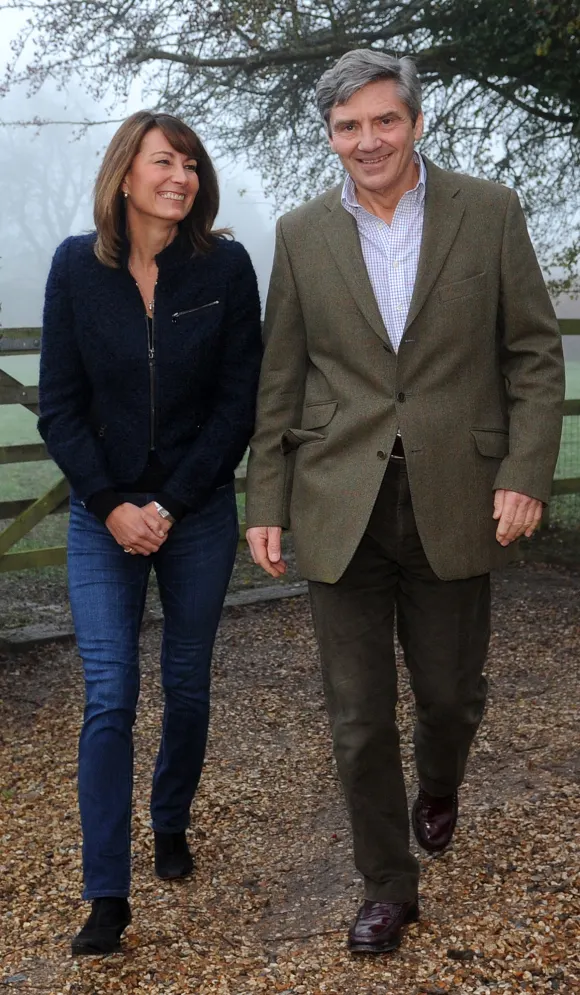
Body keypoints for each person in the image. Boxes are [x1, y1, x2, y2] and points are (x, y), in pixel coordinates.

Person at [245, 50, 565, 954]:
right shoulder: (300, 233)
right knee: (356, 719)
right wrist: (264, 498)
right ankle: (388, 884)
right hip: (337, 500)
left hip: (458, 495)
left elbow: (534, 354)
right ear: (330, 136)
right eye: (348, 126)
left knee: (450, 697)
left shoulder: (489, 210)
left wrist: (525, 470)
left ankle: (441, 779)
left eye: (384, 120)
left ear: (417, 122)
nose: (368, 140)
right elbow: (281, 378)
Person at [38, 110, 262, 955]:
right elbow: (59, 403)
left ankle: (170, 817)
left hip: (195, 510)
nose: (181, 177)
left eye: (191, 164)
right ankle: (106, 895)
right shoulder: (75, 267)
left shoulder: (225, 267)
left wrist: (168, 504)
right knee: (110, 693)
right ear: (124, 174)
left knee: (186, 681)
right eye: (164, 161)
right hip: (103, 515)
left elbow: (238, 403)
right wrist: (109, 504)